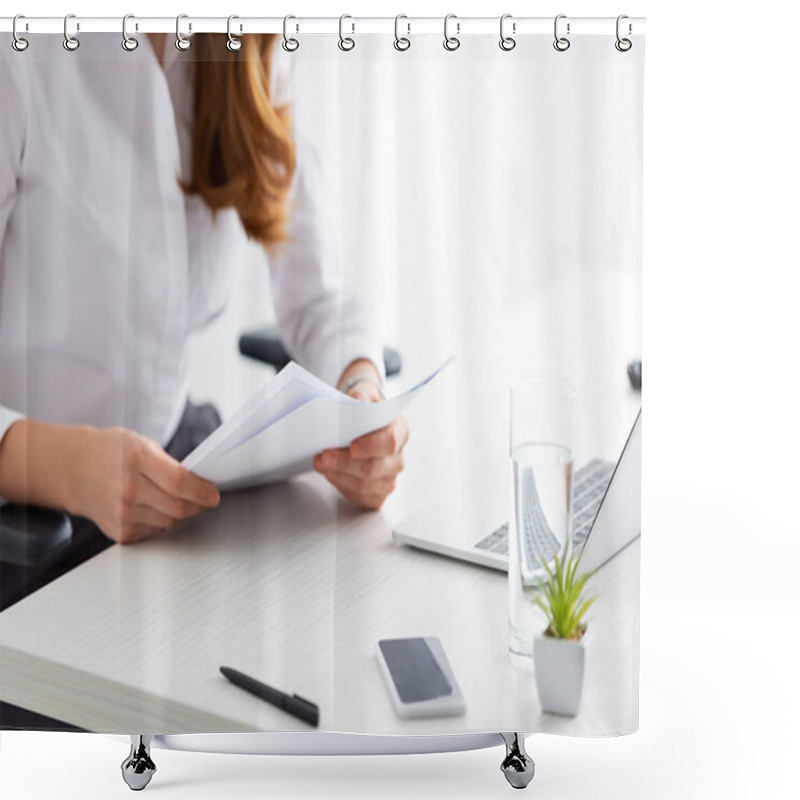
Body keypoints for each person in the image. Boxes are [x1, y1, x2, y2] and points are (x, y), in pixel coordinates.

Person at [0, 32, 408, 550]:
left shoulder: (244, 41)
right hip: (27, 508)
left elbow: (320, 297)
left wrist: (361, 399)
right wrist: (70, 469)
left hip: (168, 469)